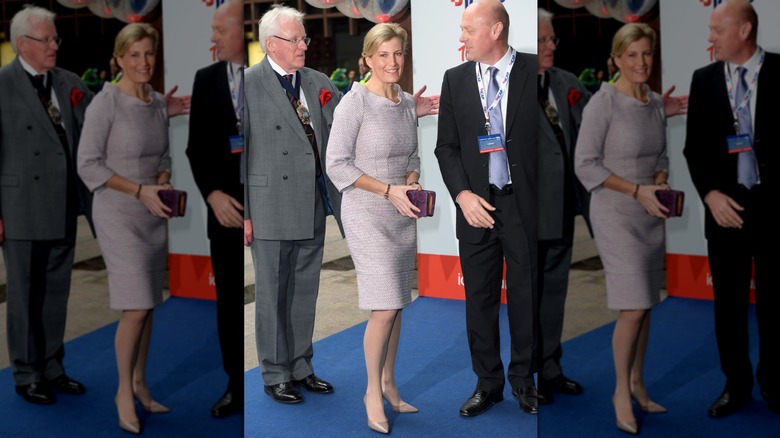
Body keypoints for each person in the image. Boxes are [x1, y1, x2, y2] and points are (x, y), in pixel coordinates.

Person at [574, 23, 686, 435]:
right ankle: (621, 390)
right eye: (632, 55)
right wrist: (637, 190)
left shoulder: (655, 102)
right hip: (615, 210)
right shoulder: (603, 103)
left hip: (648, 211)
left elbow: (660, 153)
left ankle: (639, 384)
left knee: (644, 304)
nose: (641, 63)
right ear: (617, 58)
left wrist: (658, 181)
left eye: (647, 55)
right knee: (634, 306)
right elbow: (585, 164)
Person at [327, 22, 434, 434]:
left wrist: (410, 184)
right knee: (386, 305)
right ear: (367, 58)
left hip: (399, 210)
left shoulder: (406, 103)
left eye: (398, 54)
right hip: (366, 209)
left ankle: (390, 382)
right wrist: (388, 190)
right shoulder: (354, 103)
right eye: (383, 55)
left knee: (395, 302)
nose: (392, 62)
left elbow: (412, 154)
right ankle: (372, 391)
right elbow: (336, 164)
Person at [435, 0, 539, 417]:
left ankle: (525, 381)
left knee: (527, 298)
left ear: (496, 30)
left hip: (524, 206)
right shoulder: (455, 79)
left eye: (467, 29)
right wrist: (461, 195)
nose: (461, 38)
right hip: (475, 207)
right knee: (478, 300)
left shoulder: (534, 72)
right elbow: (446, 147)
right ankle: (488, 383)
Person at [77, 23, 175, 435]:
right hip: (118, 211)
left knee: (147, 304)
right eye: (133, 55)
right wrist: (140, 190)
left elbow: (164, 153)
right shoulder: (106, 103)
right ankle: (122, 391)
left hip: (151, 212)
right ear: (118, 59)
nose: (143, 62)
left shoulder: (154, 101)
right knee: (134, 307)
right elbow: (88, 165)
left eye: (149, 54)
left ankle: (140, 383)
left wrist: (164, 181)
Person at [684, 0, 779, 418]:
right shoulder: (704, 80)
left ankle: (775, 385)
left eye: (717, 30)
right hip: (724, 209)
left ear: (743, 30)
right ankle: (735, 384)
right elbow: (694, 150)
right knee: (729, 306)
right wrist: (710, 194)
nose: (710, 38)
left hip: (774, 212)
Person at [244, 4, 342, 405]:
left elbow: (350, 121)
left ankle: (301, 366)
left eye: (305, 38)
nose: (305, 45)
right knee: (272, 295)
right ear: (272, 44)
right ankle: (274, 373)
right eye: (297, 39)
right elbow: (236, 150)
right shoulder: (246, 84)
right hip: (267, 207)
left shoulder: (318, 80)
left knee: (304, 292)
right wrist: (244, 213)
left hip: (311, 204)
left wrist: (405, 107)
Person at [0, 5, 92, 406]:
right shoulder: (1, 85)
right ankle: (26, 373)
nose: (55, 45)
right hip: (19, 209)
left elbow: (104, 121)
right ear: (23, 44)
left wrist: (155, 107)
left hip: (62, 207)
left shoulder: (68, 81)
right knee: (23, 298)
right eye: (47, 39)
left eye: (56, 38)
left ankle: (53, 367)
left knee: (56, 295)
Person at [186, 0, 244, 418]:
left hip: (270, 207)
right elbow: (196, 149)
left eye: (220, 30)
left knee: (280, 294)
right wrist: (212, 195)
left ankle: (286, 370)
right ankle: (234, 384)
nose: (213, 38)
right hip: (224, 209)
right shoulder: (205, 80)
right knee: (229, 301)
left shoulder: (270, 76)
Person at [535, 8, 590, 405]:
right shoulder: (509, 87)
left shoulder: (566, 82)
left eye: (552, 39)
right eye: (543, 40)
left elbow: (599, 128)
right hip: (527, 214)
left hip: (564, 209)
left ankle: (552, 369)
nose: (551, 45)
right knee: (529, 298)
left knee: (555, 295)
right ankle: (530, 373)